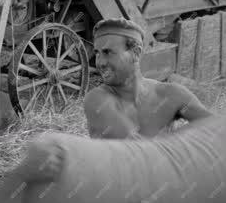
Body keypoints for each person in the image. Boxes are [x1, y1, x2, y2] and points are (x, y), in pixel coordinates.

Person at [84, 18, 212, 139]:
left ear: (136, 53)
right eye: (97, 53)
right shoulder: (96, 100)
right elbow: (137, 150)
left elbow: (218, 128)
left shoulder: (171, 93)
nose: (100, 63)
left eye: (107, 52)